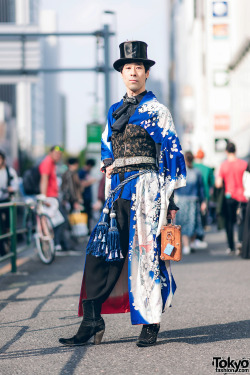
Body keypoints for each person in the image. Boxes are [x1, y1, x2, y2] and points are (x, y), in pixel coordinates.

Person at [59, 40, 186, 348]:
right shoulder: (114, 110)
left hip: (147, 192)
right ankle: (92, 319)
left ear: (146, 73)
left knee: (146, 255)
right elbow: (106, 145)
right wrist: (107, 162)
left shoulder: (158, 111)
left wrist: (170, 202)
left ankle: (150, 321)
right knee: (100, 253)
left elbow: (171, 155)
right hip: (117, 191)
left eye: (138, 68)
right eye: (127, 67)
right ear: (121, 73)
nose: (132, 72)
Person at [215, 142, 248, 254]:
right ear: (235, 150)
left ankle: (231, 246)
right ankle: (241, 242)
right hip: (242, 197)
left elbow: (218, 183)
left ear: (226, 151)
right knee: (241, 220)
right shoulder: (244, 164)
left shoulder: (223, 165)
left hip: (229, 197)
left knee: (229, 222)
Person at [175, 151, 206, 254]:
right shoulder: (197, 172)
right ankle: (191, 243)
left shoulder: (180, 171)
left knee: (183, 223)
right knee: (193, 223)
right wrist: (203, 201)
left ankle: (187, 245)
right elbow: (201, 189)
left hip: (182, 201)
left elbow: (175, 187)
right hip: (193, 200)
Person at [39, 145, 68, 251]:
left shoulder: (52, 163)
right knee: (60, 220)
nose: (58, 156)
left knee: (57, 220)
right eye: (56, 154)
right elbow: (44, 179)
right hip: (50, 197)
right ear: (50, 153)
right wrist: (44, 197)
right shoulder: (47, 162)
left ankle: (55, 245)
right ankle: (55, 245)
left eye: (60, 154)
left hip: (53, 196)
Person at [193, 148, 215, 248]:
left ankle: (192, 239)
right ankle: (199, 238)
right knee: (202, 217)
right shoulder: (208, 169)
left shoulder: (191, 166)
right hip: (204, 195)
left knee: (192, 217)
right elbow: (212, 184)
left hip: (192, 195)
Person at [0, 150, 19, 256]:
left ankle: (10, 244)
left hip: (7, 201)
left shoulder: (9, 171)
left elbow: (15, 185)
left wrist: (9, 189)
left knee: (8, 225)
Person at [78, 159, 97, 233]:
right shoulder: (82, 172)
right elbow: (82, 184)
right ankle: (84, 230)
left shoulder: (88, 172)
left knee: (89, 214)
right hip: (83, 197)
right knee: (84, 214)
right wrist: (91, 181)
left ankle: (88, 229)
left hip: (88, 197)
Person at [241, 160, 250, 259]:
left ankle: (246, 252)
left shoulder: (246, 174)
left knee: (247, 227)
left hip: (249, 201)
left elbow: (244, 184)